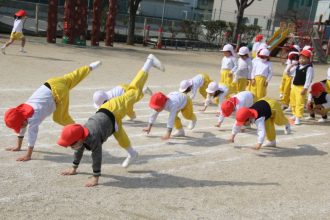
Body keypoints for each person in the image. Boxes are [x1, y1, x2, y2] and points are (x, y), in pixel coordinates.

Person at [57, 54, 165, 187]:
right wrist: (74, 168)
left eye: (71, 144)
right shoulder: (81, 137)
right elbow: (78, 150)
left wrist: (95, 178)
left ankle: (149, 62)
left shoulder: (93, 138)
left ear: (79, 139)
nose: (70, 147)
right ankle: (132, 153)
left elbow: (96, 157)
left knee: (133, 91)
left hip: (114, 108)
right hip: (110, 119)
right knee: (120, 135)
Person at [4, 61, 102, 161]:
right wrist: (19, 146)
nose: (20, 127)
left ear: (23, 120)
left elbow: (32, 136)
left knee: (60, 118)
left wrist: (28, 155)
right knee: (73, 76)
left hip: (58, 93)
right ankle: (90, 67)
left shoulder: (33, 117)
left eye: (20, 125)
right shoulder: (22, 110)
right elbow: (22, 127)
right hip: (52, 82)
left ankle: (81, 133)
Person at [92, 55, 160, 120]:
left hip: (125, 93)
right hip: (121, 88)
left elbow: (125, 106)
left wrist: (131, 114)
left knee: (136, 93)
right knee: (133, 96)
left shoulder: (110, 102)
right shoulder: (106, 96)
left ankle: (149, 62)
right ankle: (148, 65)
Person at [288, 49, 314, 125]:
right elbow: (290, 74)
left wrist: (305, 89)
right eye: (300, 58)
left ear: (308, 59)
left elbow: (308, 79)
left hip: (301, 87)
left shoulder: (309, 68)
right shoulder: (298, 66)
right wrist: (290, 67)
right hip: (294, 86)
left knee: (300, 102)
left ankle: (298, 117)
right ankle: (294, 114)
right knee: (293, 101)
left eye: (304, 58)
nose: (301, 60)